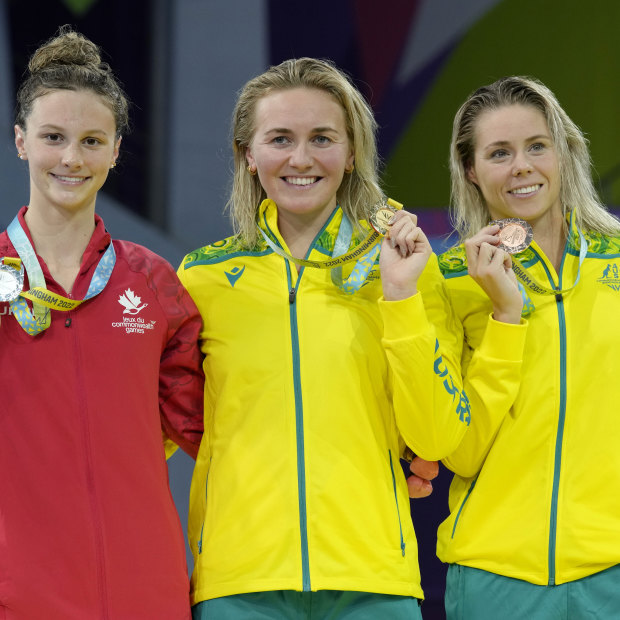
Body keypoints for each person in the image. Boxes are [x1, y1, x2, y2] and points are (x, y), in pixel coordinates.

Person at [177, 57, 522, 620]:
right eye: (280, 139)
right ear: (248, 154)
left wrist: (401, 298)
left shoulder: (407, 266)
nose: (301, 158)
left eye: (322, 138)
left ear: (353, 151)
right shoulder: (202, 279)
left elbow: (435, 437)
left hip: (373, 582)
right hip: (239, 583)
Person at [0, 27, 204, 619]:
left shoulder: (153, 283)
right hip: (20, 591)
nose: (71, 158)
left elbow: (215, 426)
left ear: (116, 149)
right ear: (20, 142)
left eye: (92, 140)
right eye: (53, 138)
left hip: (147, 586)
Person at [430, 75, 620, 619]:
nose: (522, 166)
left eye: (537, 146)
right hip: (497, 576)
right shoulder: (448, 281)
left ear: (564, 151)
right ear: (470, 169)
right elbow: (459, 450)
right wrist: (502, 316)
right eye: (499, 153)